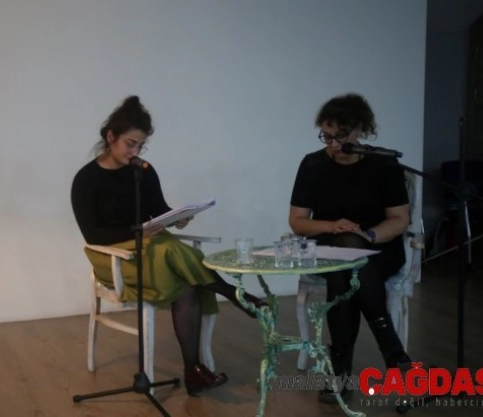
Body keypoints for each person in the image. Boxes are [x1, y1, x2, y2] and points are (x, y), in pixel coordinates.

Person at [70, 95, 266, 396]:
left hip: (150, 249)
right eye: (130, 144)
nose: (135, 152)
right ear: (111, 137)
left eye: (141, 145)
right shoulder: (86, 179)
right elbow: (93, 235)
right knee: (170, 249)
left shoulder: (144, 171)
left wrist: (178, 217)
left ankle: (194, 371)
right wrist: (138, 231)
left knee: (187, 286)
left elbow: (159, 211)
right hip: (111, 255)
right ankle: (233, 292)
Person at [288, 93, 413, 403]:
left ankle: (340, 374)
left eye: (340, 136)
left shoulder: (384, 165)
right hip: (329, 245)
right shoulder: (313, 164)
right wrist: (332, 225)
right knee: (344, 259)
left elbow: (399, 219)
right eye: (326, 136)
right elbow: (298, 221)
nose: (332, 144)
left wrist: (366, 234)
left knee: (345, 266)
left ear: (360, 130)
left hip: (379, 247)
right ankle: (391, 348)